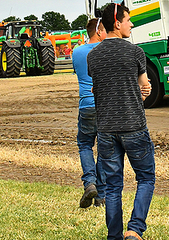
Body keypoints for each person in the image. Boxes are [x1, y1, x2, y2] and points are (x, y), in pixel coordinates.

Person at [87, 3, 154, 240]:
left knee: (113, 187)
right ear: (117, 23)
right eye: (128, 20)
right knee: (145, 178)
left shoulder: (92, 56)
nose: (131, 24)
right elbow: (144, 87)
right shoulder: (135, 52)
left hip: (106, 130)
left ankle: (114, 236)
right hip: (133, 125)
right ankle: (135, 230)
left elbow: (98, 88)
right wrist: (142, 91)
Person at [72, 18, 107, 208]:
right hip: (103, 106)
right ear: (99, 31)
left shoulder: (77, 52)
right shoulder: (103, 52)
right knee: (103, 149)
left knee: (85, 145)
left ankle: (89, 183)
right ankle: (101, 195)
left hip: (85, 105)